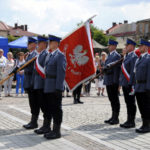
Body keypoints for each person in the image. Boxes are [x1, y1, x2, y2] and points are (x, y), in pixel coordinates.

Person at [43, 35, 66, 139]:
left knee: (57, 109)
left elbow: (61, 72)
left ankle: (57, 131)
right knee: (51, 108)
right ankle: (53, 130)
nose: (49, 43)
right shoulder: (50, 55)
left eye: (51, 42)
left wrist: (58, 88)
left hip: (55, 87)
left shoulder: (60, 55)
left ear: (56, 43)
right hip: (48, 86)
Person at [33, 36, 52, 135]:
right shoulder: (40, 54)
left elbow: (45, 70)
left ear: (44, 44)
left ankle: (47, 126)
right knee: (42, 105)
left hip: (43, 84)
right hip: (38, 84)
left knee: (45, 106)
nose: (37, 45)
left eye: (39, 43)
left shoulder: (46, 54)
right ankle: (45, 125)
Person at [119, 39, 138, 128]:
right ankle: (128, 120)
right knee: (127, 102)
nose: (125, 46)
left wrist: (131, 84)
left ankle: (132, 121)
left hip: (129, 84)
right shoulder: (127, 56)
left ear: (132, 46)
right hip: (125, 83)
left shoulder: (133, 57)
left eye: (127, 45)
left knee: (131, 102)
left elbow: (133, 72)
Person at [134, 39, 150, 133]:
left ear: (146, 47)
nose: (139, 47)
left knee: (146, 106)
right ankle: (144, 124)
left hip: (145, 87)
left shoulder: (148, 58)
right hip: (138, 86)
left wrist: (148, 88)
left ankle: (147, 125)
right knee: (141, 106)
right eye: (139, 46)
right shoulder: (139, 58)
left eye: (141, 46)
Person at [23, 37, 39, 129]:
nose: (27, 45)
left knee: (34, 102)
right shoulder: (29, 54)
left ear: (34, 44)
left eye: (29, 43)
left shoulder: (35, 54)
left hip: (32, 82)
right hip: (28, 81)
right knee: (31, 102)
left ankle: (34, 122)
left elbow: (33, 69)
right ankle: (33, 120)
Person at [104, 39, 121, 125]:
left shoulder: (117, 56)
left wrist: (115, 82)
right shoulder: (109, 55)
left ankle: (116, 117)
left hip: (113, 81)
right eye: (108, 45)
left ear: (114, 46)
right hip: (108, 80)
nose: (108, 46)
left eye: (110, 45)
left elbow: (117, 70)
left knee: (115, 99)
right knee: (111, 99)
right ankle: (113, 116)